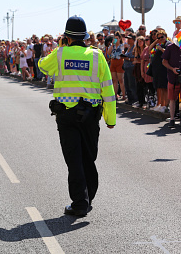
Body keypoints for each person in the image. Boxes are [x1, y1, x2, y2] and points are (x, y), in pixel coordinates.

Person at [39, 16, 116, 217]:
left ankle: (80, 202)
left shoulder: (60, 54)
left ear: (66, 37)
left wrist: (59, 47)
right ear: (85, 36)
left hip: (66, 115)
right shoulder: (97, 56)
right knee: (88, 157)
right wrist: (111, 119)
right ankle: (87, 197)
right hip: (91, 115)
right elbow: (108, 89)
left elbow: (42, 66)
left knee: (74, 159)